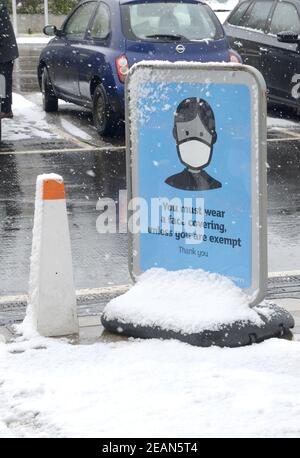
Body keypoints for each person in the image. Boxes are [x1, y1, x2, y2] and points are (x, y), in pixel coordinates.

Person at [165, 97, 222, 191]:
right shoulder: (172, 182)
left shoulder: (214, 185)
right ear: (176, 134)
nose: (194, 143)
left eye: (201, 134)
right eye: (186, 133)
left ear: (213, 137)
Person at [0, 1, 18, 119]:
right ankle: (5, 109)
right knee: (3, 81)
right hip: (6, 50)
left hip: (5, 51)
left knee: (3, 81)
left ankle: (5, 110)